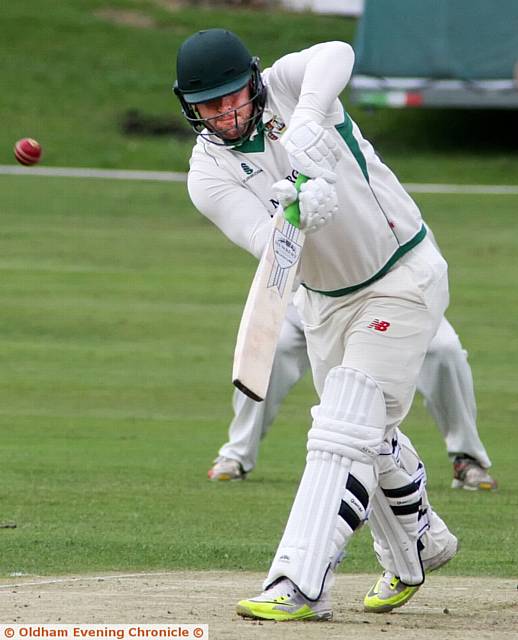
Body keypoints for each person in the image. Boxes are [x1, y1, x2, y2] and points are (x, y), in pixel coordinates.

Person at [174, 29, 459, 620]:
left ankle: (300, 579)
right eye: (210, 106)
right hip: (324, 305)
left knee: (343, 424)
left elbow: (338, 52)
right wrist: (295, 218)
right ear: (190, 109)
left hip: (402, 273)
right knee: (367, 436)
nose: (226, 114)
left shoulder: (285, 86)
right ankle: (419, 544)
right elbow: (268, 248)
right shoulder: (207, 174)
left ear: (252, 83)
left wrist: (307, 118)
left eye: (234, 98)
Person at [208, 308, 497, 491]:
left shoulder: (392, 210)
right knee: (269, 351)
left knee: (445, 351)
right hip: (307, 307)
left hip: (391, 303)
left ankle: (467, 459)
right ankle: (236, 455)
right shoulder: (294, 212)